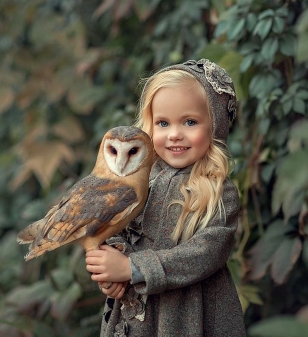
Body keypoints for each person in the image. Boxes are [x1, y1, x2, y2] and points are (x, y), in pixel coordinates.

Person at [85, 59, 245, 337]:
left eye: (190, 122)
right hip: (134, 315)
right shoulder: (139, 179)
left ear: (215, 126)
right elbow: (117, 228)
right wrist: (112, 267)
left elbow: (205, 253)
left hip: (188, 315)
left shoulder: (218, 190)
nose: (174, 134)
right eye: (162, 123)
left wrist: (133, 268)